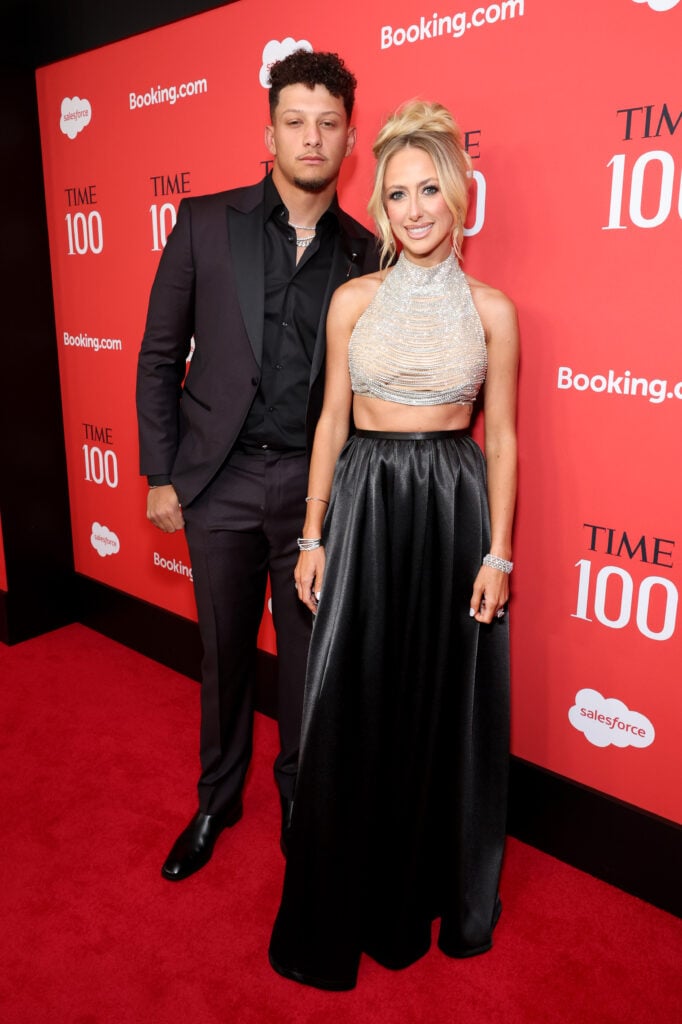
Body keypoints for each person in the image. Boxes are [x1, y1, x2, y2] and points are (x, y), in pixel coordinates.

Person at [268, 100, 519, 989]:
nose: (415, 210)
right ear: (380, 202)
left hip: (452, 511)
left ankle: (423, 888)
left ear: (458, 197)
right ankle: (345, 896)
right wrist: (312, 532)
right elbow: (331, 420)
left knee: (435, 703)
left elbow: (504, 439)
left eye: (431, 191)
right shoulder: (352, 299)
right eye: (399, 193)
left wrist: (499, 554)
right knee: (350, 696)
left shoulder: (494, 310)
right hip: (365, 502)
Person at [136, 50, 379, 882]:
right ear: (268, 131)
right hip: (221, 482)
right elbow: (159, 356)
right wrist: (161, 474)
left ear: (349, 139)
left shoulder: (366, 252)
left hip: (317, 498)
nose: (311, 138)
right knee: (224, 654)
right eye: (295, 121)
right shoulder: (207, 222)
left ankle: (301, 807)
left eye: (329, 124)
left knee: (310, 667)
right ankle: (216, 798)